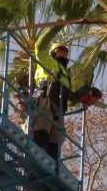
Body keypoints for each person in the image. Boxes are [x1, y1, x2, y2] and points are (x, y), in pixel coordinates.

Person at [31, 24, 103, 161]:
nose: (64, 54)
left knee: (56, 139)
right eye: (60, 51)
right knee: (41, 129)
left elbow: (70, 98)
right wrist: (55, 28)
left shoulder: (65, 75)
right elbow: (39, 47)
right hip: (45, 100)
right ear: (53, 53)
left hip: (59, 109)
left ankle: (52, 164)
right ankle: (36, 156)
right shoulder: (48, 62)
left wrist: (87, 94)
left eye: (65, 52)